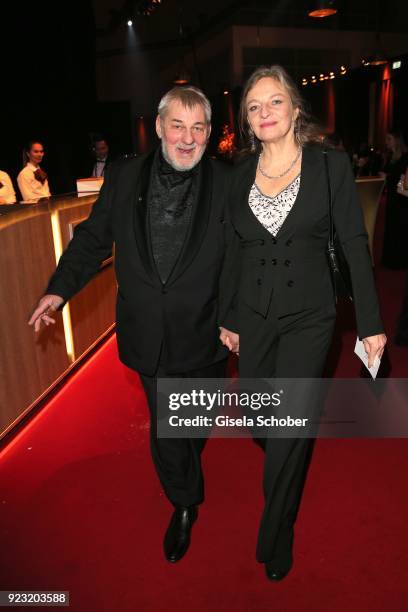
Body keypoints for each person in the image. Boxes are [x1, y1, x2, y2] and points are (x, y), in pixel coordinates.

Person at [28, 86, 237, 564]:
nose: (187, 138)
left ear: (209, 133)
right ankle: (185, 502)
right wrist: (58, 289)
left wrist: (236, 317)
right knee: (167, 424)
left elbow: (242, 258)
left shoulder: (228, 182)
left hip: (208, 330)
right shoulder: (124, 176)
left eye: (198, 127)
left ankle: (185, 461)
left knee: (196, 418)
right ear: (160, 126)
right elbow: (93, 238)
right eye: (178, 126)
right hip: (147, 329)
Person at [219, 65, 386, 582]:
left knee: (288, 424)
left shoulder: (329, 165)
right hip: (253, 314)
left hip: (311, 316)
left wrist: (371, 322)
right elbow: (232, 248)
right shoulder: (237, 174)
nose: (264, 113)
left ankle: (276, 531)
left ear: (294, 108)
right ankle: (286, 477)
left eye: (274, 103)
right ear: (247, 121)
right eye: (254, 107)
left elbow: (354, 243)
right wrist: (228, 317)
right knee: (262, 420)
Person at [381, 130, 408, 269]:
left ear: (397, 140)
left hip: (402, 201)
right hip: (393, 198)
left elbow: (403, 182)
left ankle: (399, 261)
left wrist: (388, 178)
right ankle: (391, 260)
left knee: (400, 229)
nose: (387, 142)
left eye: (389, 139)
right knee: (392, 227)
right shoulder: (391, 157)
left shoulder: (405, 158)